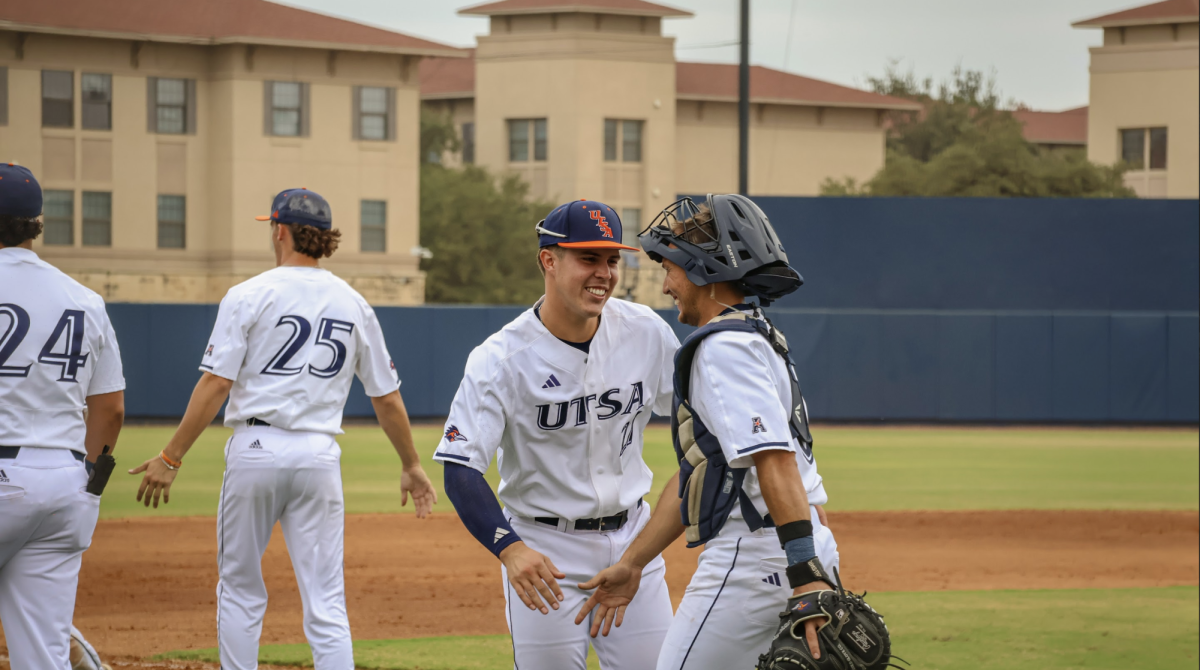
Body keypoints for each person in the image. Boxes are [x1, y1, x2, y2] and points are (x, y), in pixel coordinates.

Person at [130, 188, 437, 670]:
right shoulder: (353, 302)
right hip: (319, 455)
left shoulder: (249, 294)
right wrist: (412, 464)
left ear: (280, 230)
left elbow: (215, 385)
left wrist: (170, 458)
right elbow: (387, 398)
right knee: (326, 599)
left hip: (256, 446)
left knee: (240, 588)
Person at [575, 195, 840, 669]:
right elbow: (704, 474)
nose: (666, 285)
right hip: (796, 545)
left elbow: (774, 459)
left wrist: (805, 573)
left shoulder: (723, 350)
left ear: (703, 269)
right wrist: (635, 561)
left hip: (757, 555)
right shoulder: (754, 334)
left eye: (671, 267)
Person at [434, 200, 681, 669]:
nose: (604, 273)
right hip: (546, 555)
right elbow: (460, 467)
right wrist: (510, 549)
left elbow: (697, 426)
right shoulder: (501, 359)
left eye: (612, 259)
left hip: (634, 541)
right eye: (588, 258)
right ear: (549, 259)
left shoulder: (646, 331)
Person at [0, 163, 126, 670]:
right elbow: (111, 407)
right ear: (37, 222)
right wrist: (86, 485)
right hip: (65, 483)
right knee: (44, 653)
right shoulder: (85, 298)